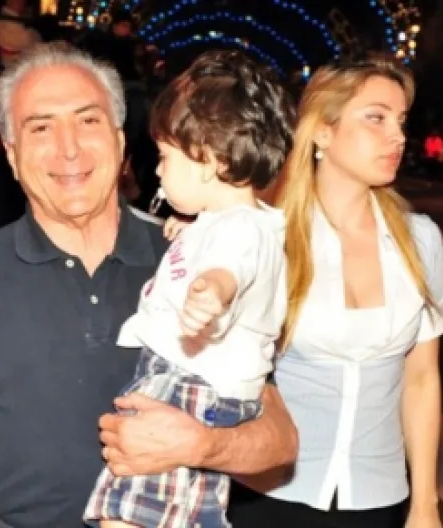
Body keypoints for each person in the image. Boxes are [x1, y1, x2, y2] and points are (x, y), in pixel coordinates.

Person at [0, 42, 297, 528]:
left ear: (121, 143)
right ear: (12, 156)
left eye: (88, 120)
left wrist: (203, 445)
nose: (69, 148)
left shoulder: (191, 260)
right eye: (41, 127)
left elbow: (280, 445)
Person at [225, 56, 443, 527]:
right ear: (322, 132)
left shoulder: (420, 241)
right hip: (269, 494)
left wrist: (425, 504)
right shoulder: (270, 236)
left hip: (378, 500)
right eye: (376, 118)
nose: (397, 136)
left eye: (400, 121)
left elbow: (420, 379)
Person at [81, 50, 294, 528]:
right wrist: (193, 229)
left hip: (187, 386)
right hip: (195, 384)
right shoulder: (228, 222)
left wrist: (211, 291)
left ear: (207, 161)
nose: (157, 171)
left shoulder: (240, 230)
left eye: (165, 157)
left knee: (128, 513)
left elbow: (231, 269)